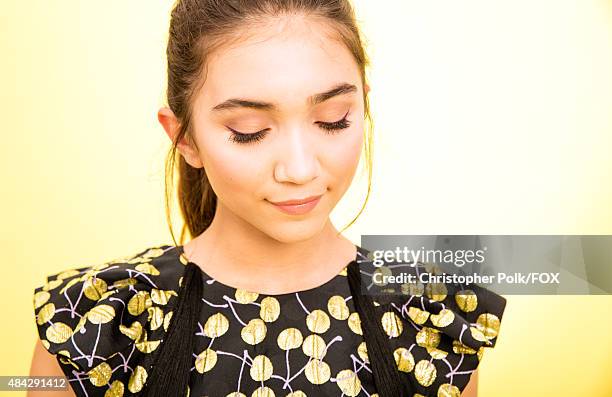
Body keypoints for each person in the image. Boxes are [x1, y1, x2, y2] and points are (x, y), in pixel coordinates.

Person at [29, 0, 506, 396]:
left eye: (334, 119)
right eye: (249, 131)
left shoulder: (432, 321)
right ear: (184, 138)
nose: (299, 170)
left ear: (363, 104)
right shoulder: (95, 327)